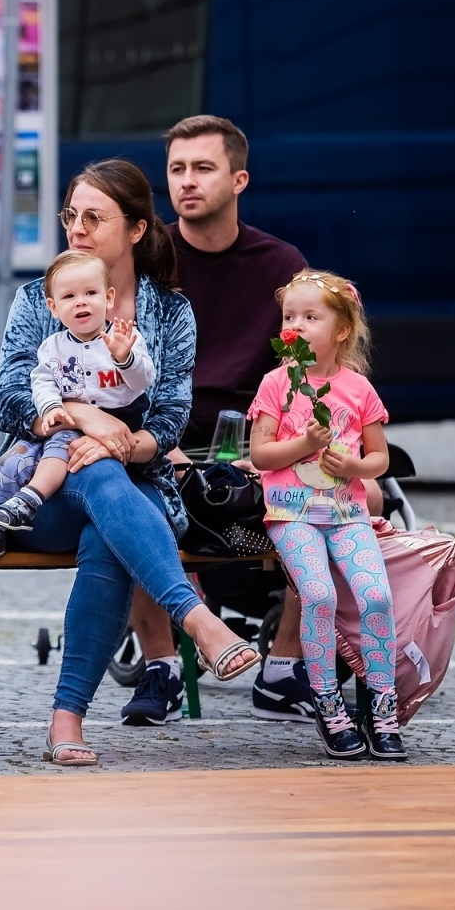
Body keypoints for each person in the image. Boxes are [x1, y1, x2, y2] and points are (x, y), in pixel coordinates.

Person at [0, 159, 261, 767]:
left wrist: (122, 442)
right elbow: (9, 401)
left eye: (94, 217)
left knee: (105, 522)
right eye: (71, 216)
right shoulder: (38, 301)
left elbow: (170, 418)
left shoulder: (170, 312)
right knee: (92, 469)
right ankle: (197, 620)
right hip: (36, 491)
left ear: (137, 230)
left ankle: (68, 722)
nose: (77, 229)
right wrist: (92, 421)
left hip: (132, 487)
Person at [120, 114, 314, 727]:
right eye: (176, 170)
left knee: (349, 502)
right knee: (125, 499)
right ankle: (163, 668)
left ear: (239, 179)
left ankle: (282, 670)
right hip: (163, 428)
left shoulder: (281, 264)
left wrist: (278, 444)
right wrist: (155, 441)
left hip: (255, 434)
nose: (186, 182)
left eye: (203, 168)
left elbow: (305, 372)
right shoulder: (146, 258)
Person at [248, 269, 404, 761]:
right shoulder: (277, 383)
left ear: (341, 330)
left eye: (310, 317)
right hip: (291, 515)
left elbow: (380, 459)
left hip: (346, 514)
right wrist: (304, 445)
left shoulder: (358, 390)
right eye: (289, 316)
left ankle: (383, 708)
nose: (296, 325)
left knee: (376, 595)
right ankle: (328, 703)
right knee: (317, 594)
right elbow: (260, 455)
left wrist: (356, 466)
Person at [0, 249, 155, 567]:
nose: (81, 302)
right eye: (69, 296)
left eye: (91, 293)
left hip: (115, 421)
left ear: (109, 297)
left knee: (59, 448)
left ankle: (28, 499)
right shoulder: (53, 346)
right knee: (14, 461)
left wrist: (124, 358)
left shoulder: (123, 339)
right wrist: (50, 408)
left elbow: (144, 379)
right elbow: (42, 381)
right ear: (53, 307)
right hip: (66, 420)